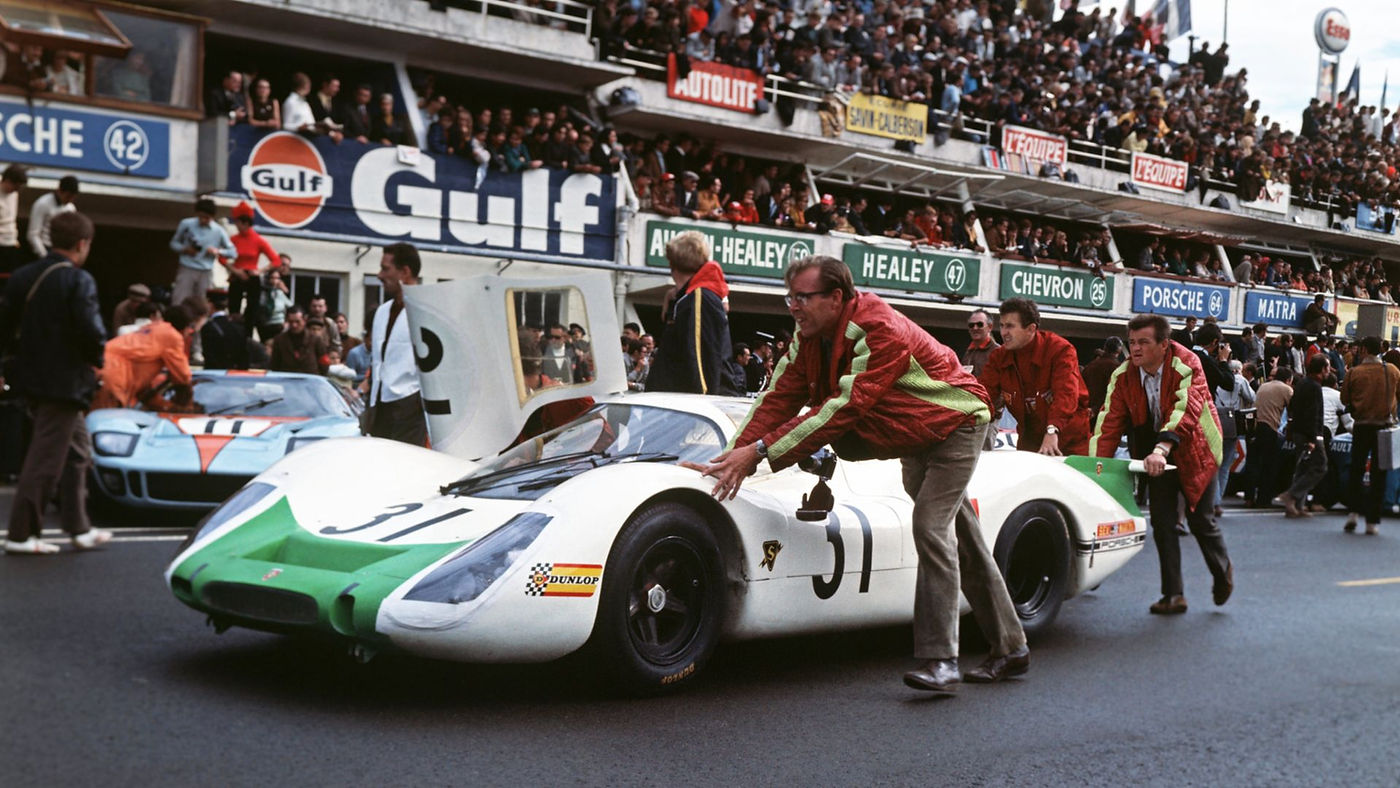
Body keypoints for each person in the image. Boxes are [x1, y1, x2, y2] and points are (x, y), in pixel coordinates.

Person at [689, 255, 1027, 693]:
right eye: (790, 298)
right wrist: (727, 459)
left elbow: (842, 408)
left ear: (835, 297)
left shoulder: (879, 328)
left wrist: (757, 453)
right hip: (916, 433)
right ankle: (1011, 646)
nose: (794, 306)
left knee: (930, 527)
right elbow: (776, 399)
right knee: (962, 539)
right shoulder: (808, 337)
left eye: (803, 297)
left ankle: (941, 659)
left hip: (958, 423)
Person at [1091, 314, 1233, 615]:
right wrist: (1095, 467)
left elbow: (1186, 409)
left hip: (1196, 448)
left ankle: (1223, 572)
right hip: (1156, 455)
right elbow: (1108, 422)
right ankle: (1173, 594)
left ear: (1164, 344)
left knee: (1200, 520)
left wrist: (1162, 448)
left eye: (1143, 342)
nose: (1135, 349)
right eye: (1132, 342)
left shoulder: (1188, 363)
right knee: (1163, 523)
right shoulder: (1123, 374)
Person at [0, 212, 111, 554]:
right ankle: (21, 534)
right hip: (66, 381)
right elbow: (91, 330)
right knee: (46, 456)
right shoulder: (79, 280)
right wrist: (98, 360)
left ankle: (79, 527)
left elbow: (4, 326)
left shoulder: (22, 276)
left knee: (78, 451)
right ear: (82, 243)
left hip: (31, 378)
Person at [979, 298, 1091, 456]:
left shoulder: (1060, 350)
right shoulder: (998, 357)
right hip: (1029, 439)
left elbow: (1066, 394)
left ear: (1031, 329)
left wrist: (1052, 430)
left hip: (1069, 441)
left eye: (1010, 326)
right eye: (1002, 325)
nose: (1003, 333)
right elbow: (983, 395)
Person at [645, 231, 743, 396]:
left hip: (689, 403)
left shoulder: (699, 298)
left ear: (672, 264)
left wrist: (701, 404)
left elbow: (701, 363)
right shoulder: (694, 296)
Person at [365, 242, 427, 445]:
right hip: (379, 406)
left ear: (405, 272)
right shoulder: (382, 312)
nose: (379, 275)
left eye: (385, 269)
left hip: (409, 407)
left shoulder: (425, 311)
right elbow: (378, 360)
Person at [1340, 335, 1400, 535]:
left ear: (1364, 350)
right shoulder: (1392, 371)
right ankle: (1372, 521)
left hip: (1361, 425)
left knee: (1356, 469)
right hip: (1383, 426)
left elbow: (1345, 398)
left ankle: (1353, 512)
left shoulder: (1354, 372)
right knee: (1379, 473)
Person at [93, 304, 195, 409]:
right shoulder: (172, 336)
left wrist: (166, 406)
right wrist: (187, 401)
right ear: (185, 328)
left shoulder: (151, 328)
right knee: (105, 417)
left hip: (99, 368)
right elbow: (183, 375)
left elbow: (142, 389)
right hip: (113, 376)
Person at [1279, 355, 1330, 518]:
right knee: (1320, 465)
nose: (1329, 371)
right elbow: (1313, 414)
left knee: (1303, 467)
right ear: (1322, 369)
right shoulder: (1315, 387)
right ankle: (1292, 495)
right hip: (1310, 433)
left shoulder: (1302, 383)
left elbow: (1292, 406)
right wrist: (1313, 438)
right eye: (1327, 367)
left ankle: (1296, 506)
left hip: (1298, 431)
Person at [168, 198, 236, 307]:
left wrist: (217, 251)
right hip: (187, 267)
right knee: (179, 299)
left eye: (207, 218)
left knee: (202, 302)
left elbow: (233, 252)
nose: (203, 220)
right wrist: (185, 249)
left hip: (205, 270)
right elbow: (173, 243)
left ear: (212, 217)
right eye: (201, 216)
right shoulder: (186, 224)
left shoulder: (218, 231)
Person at [1211, 358, 1256, 516]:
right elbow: (1252, 397)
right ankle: (1217, 502)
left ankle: (1212, 499)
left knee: (1214, 462)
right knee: (1225, 465)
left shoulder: (1216, 376)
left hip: (1215, 418)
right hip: (1232, 421)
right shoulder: (1240, 380)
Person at [227, 201, 278, 335]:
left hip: (252, 277)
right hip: (237, 275)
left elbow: (276, 260)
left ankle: (247, 337)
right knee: (233, 309)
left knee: (251, 310)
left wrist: (260, 271)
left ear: (245, 223)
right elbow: (221, 257)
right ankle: (232, 334)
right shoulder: (233, 239)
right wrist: (234, 270)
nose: (236, 226)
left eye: (237, 222)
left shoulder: (258, 240)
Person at [1248, 367, 1293, 508]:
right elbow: (1293, 410)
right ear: (1288, 380)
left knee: (1254, 463)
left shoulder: (1263, 386)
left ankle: (1249, 497)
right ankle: (1264, 499)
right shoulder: (1286, 389)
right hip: (1270, 428)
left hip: (1255, 426)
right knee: (1269, 466)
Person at [26, 175, 79, 257]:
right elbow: (33, 234)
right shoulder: (42, 204)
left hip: (61, 251)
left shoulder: (71, 208)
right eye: (68, 197)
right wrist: (44, 255)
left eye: (72, 198)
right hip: (43, 248)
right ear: (59, 191)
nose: (70, 200)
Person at [269, 306, 325, 375]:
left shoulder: (315, 339)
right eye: (291, 322)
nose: (294, 325)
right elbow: (274, 364)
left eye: (297, 322)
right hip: (288, 378)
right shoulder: (280, 340)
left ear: (304, 320)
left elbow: (324, 363)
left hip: (310, 378)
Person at [201, 292, 250, 371]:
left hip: (214, 373)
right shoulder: (237, 326)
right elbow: (244, 354)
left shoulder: (208, 327)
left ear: (210, 305)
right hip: (235, 372)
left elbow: (209, 356)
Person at [1083, 337, 1126, 418]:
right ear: (1119, 351)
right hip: (1107, 413)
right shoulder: (1117, 368)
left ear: (1105, 347)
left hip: (1087, 411)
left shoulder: (1091, 366)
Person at [0, 164, 27, 272]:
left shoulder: (14, 194)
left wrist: (14, 238)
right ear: (7, 181)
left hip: (11, 242)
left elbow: (12, 218)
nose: (16, 190)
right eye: (15, 187)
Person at [960, 308, 998, 377]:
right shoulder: (968, 353)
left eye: (980, 324)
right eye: (971, 325)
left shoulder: (998, 352)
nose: (975, 328)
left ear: (990, 327)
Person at [259, 269, 293, 342]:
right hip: (265, 326)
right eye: (272, 278)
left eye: (277, 278)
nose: (275, 281)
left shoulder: (279, 293)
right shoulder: (262, 293)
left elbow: (291, 307)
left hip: (279, 325)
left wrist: (287, 322)